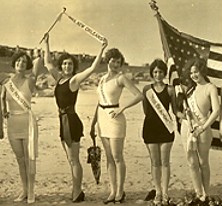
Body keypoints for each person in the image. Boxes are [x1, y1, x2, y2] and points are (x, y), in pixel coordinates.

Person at [43, 33, 107, 202]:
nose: (67, 66)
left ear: (74, 66)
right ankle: (77, 190)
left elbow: (92, 69)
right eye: (64, 63)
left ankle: (77, 192)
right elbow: (47, 63)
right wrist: (47, 43)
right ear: (61, 66)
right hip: (62, 121)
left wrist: (102, 49)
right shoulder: (59, 79)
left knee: (73, 160)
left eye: (70, 64)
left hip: (71, 122)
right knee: (70, 159)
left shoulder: (74, 81)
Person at [90, 48, 144, 204]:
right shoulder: (101, 79)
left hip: (115, 119)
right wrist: (93, 123)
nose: (115, 64)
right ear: (107, 60)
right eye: (113, 60)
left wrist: (122, 108)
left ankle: (120, 191)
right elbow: (100, 103)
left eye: (118, 62)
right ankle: (112, 191)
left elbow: (139, 95)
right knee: (108, 158)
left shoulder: (121, 78)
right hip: (102, 119)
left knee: (117, 157)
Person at [1, 51, 43, 204]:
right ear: (14, 63)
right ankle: (24, 190)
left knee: (29, 159)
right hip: (12, 124)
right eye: (18, 61)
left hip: (27, 123)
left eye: (24, 62)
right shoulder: (7, 83)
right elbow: (2, 100)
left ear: (27, 66)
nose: (21, 64)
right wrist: (4, 113)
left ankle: (31, 191)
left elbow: (38, 66)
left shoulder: (30, 81)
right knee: (20, 160)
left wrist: (39, 52)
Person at [178, 57, 220, 203]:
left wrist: (202, 127)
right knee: (191, 162)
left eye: (196, 72)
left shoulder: (210, 87)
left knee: (203, 162)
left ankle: (205, 194)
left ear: (202, 70)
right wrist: (184, 114)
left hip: (203, 128)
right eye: (191, 73)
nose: (194, 75)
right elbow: (182, 108)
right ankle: (198, 193)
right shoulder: (189, 89)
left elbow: (216, 111)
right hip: (187, 128)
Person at [142, 59, 177, 205]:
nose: (158, 74)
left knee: (165, 162)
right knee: (155, 163)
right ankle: (158, 192)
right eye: (155, 72)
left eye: (161, 72)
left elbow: (175, 110)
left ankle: (165, 192)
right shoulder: (146, 90)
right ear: (152, 73)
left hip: (165, 129)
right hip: (150, 128)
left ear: (165, 73)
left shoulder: (170, 90)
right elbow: (145, 110)